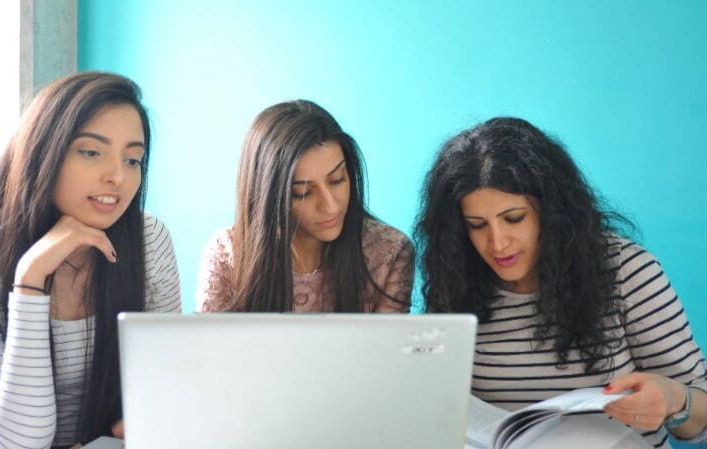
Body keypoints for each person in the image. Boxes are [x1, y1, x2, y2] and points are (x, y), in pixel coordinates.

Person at [0, 72, 181, 449]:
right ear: (43, 153)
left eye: (133, 159)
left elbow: (168, 380)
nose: (116, 176)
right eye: (90, 152)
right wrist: (30, 280)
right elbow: (17, 443)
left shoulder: (148, 239)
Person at [415, 117, 707, 447]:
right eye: (476, 225)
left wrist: (675, 401)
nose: (497, 243)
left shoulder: (626, 271)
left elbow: (701, 418)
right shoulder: (455, 282)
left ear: (551, 211)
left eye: (514, 218)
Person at [196, 100, 413, 313]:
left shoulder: (389, 253)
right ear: (269, 197)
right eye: (303, 193)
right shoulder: (226, 254)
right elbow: (211, 346)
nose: (330, 206)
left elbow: (384, 348)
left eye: (337, 180)